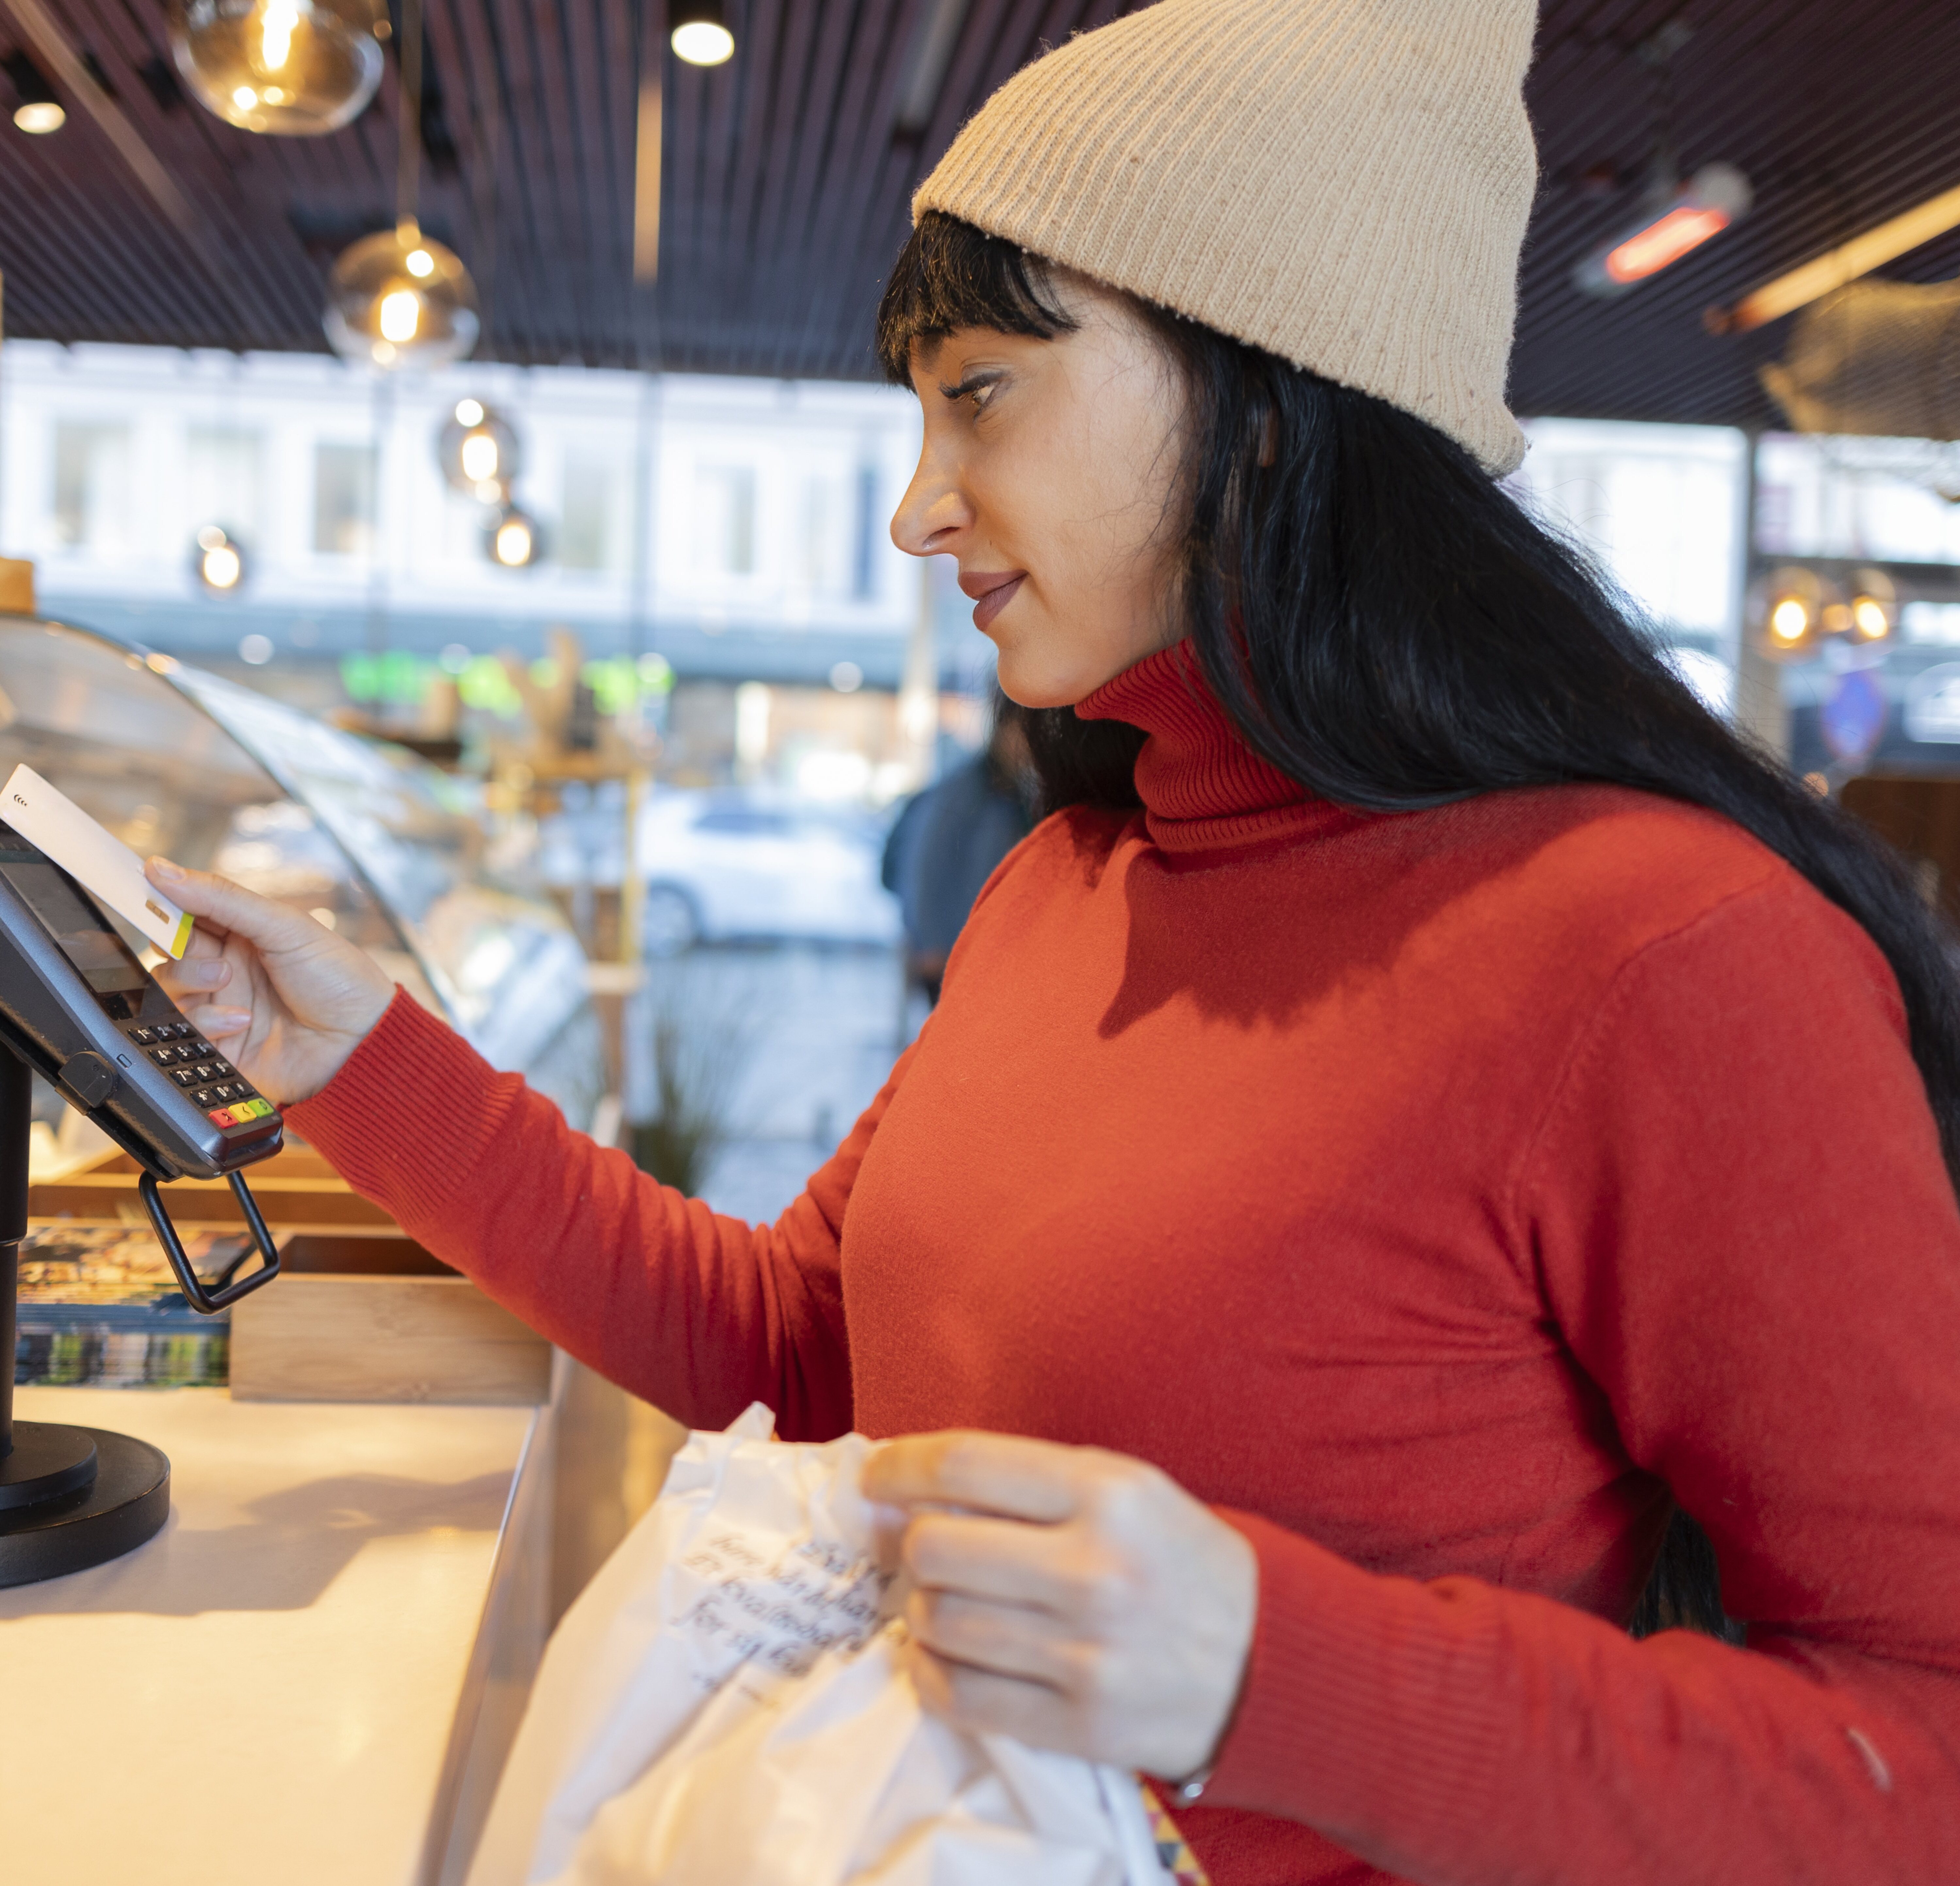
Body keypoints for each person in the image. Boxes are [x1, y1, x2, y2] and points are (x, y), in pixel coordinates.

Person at [147, 3, 1960, 1880]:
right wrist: (352, 1052)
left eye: (982, 390)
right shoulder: (1063, 882)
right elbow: (792, 1339)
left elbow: (1919, 1742)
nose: (917, 505)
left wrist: (1269, 1672)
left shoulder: (1667, 951)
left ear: (1264, 390)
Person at [882, 692, 1035, 1005]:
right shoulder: (963, 792)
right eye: (1024, 734)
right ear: (1004, 731)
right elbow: (922, 865)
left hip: (979, 952)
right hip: (949, 954)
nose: (1031, 749)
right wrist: (931, 943)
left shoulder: (1012, 793)